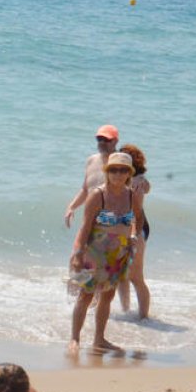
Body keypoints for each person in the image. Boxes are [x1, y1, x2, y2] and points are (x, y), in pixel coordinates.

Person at [68, 152, 144, 354]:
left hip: (118, 253)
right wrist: (77, 254)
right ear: (107, 172)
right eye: (113, 170)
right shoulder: (97, 195)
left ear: (129, 173)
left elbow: (140, 218)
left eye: (122, 170)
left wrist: (134, 234)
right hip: (95, 251)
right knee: (86, 295)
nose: (117, 174)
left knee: (107, 297)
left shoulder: (131, 195)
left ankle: (99, 340)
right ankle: (74, 339)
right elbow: (85, 227)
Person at [116, 144, 152, 319]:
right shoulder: (123, 178)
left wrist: (134, 235)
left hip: (137, 227)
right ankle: (126, 311)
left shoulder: (137, 180)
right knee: (122, 276)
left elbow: (135, 212)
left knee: (135, 277)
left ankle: (144, 319)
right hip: (122, 228)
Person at [63, 124, 119, 228]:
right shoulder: (91, 160)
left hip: (114, 221)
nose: (102, 142)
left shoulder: (122, 162)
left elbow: (141, 187)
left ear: (115, 141)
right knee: (82, 243)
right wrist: (71, 207)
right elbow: (85, 190)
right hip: (92, 219)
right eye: (99, 139)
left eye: (106, 139)